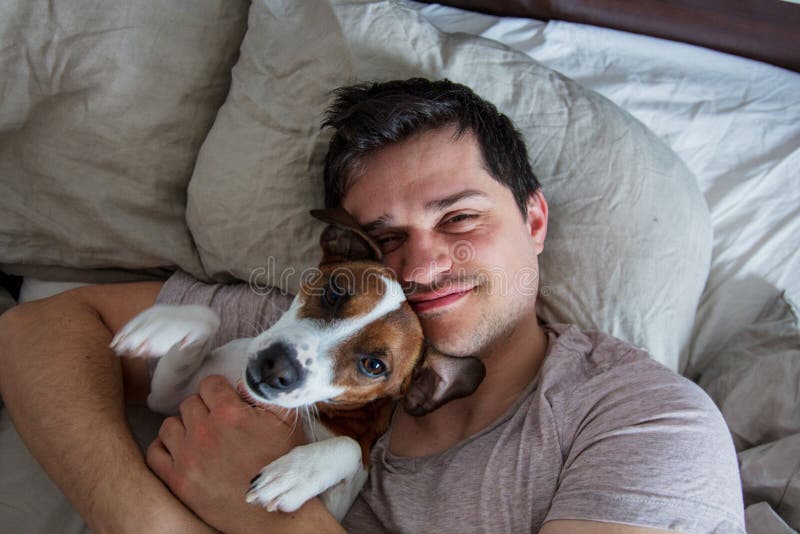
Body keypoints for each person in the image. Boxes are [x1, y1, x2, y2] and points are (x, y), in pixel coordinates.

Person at [0, 79, 745, 533]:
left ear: (535, 220)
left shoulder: (640, 420)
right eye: (385, 237)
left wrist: (260, 516)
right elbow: (38, 331)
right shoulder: (311, 320)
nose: (419, 267)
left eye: (458, 219)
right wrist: (144, 520)